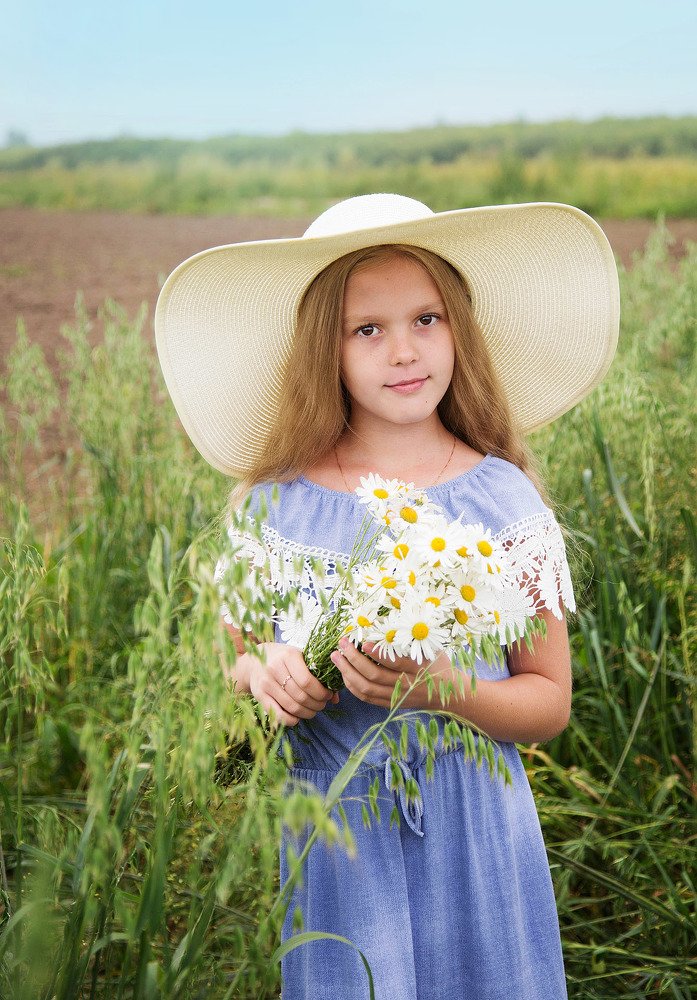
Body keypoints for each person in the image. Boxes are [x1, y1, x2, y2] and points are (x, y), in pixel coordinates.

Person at [155, 193, 620, 999]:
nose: (402, 350)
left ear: (458, 331)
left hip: (475, 829)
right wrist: (264, 671)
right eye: (366, 329)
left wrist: (442, 689)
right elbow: (227, 661)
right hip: (336, 833)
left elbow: (546, 703)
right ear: (322, 352)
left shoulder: (501, 501)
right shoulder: (274, 506)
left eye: (426, 319)